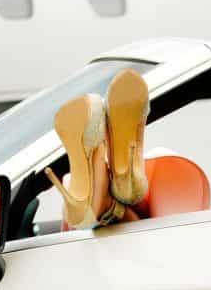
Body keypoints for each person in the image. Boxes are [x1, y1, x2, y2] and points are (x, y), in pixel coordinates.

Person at [45, 68, 150, 229]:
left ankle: (96, 200)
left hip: (79, 240)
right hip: (142, 236)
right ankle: (126, 174)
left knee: (70, 188)